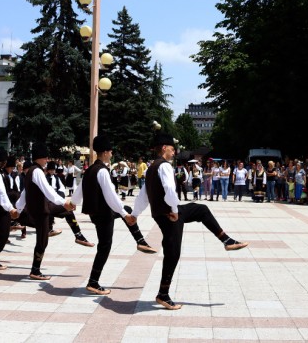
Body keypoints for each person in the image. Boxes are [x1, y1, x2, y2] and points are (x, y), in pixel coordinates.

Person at [131, 132, 248, 310]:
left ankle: (226, 240)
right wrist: (175, 210)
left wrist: (135, 214)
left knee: (200, 210)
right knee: (173, 253)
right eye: (172, 148)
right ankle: (163, 294)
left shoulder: (151, 168)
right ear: (164, 148)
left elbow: (143, 195)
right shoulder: (164, 166)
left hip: (163, 213)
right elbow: (170, 189)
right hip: (170, 214)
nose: (174, 151)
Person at [69, 134, 157, 295]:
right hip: (103, 213)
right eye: (110, 151)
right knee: (105, 246)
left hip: (96, 213)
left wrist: (72, 202)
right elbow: (111, 196)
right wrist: (124, 214)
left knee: (127, 213)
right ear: (104, 152)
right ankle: (93, 282)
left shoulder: (90, 171)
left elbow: (79, 191)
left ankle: (140, 240)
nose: (111, 154)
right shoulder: (102, 171)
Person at [14, 143, 76, 280]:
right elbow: (48, 191)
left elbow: (25, 193)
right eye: (45, 158)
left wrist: (17, 209)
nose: (47, 160)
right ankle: (35, 270)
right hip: (40, 211)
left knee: (43, 239)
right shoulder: (37, 171)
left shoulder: (31, 171)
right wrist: (63, 202)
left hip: (38, 209)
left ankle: (78, 234)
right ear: (39, 158)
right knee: (42, 241)